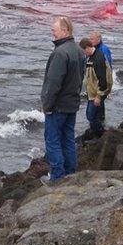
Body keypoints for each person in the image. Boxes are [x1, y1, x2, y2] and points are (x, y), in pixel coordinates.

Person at [41, 16, 85, 184]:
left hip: (58, 105)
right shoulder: (80, 51)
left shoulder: (60, 53)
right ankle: (70, 172)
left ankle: (57, 177)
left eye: (55, 30)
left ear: (65, 31)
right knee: (68, 138)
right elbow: (80, 79)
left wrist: (47, 105)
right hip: (72, 104)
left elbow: (53, 83)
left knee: (52, 140)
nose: (52, 32)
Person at [79, 38, 111, 138]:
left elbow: (103, 80)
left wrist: (99, 96)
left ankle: (101, 134)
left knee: (91, 115)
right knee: (95, 116)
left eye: (84, 51)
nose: (83, 54)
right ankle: (98, 132)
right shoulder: (91, 57)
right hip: (92, 92)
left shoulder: (98, 58)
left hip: (97, 93)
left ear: (88, 48)